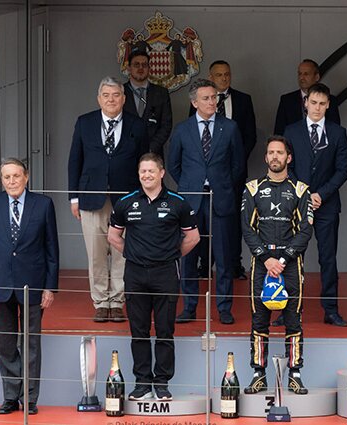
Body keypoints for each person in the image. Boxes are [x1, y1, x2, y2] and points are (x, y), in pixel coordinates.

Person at [108, 153, 200, 401]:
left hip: (166, 273)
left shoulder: (178, 203)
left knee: (164, 330)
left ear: (161, 173)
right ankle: (141, 383)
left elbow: (193, 237)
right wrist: (131, 252)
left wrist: (171, 255)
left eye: (151, 171)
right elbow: (113, 236)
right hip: (135, 273)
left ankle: (161, 383)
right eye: (142, 171)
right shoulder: (125, 202)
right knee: (138, 331)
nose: (146, 175)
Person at [0, 158, 59, 415]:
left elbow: (52, 250)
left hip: (33, 284)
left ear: (26, 176)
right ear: (2, 180)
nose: (11, 181)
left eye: (16, 176)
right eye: (6, 177)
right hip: (1, 283)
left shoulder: (43, 204)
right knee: (5, 343)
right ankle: (11, 396)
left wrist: (50, 288)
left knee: (31, 344)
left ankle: (30, 399)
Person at [68, 76, 148, 323]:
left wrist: (144, 198)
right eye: (106, 95)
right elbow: (74, 161)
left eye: (116, 95)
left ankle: (117, 301)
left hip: (127, 200)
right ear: (98, 98)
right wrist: (74, 198)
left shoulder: (137, 124)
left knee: (123, 253)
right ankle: (101, 302)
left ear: (124, 99)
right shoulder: (85, 122)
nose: (111, 100)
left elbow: (145, 162)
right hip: (92, 198)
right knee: (96, 253)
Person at [241, 136, 314, 395]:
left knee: (293, 320)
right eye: (271, 152)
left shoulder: (300, 189)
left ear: (288, 157)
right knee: (259, 319)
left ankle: (295, 373)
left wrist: (282, 259)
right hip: (262, 263)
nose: (275, 157)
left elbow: (306, 230)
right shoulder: (252, 188)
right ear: (266, 157)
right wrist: (265, 258)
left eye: (279, 153)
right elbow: (246, 229)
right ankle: (258, 373)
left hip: (290, 263)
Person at [168, 78, 245, 325]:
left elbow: (238, 165)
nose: (212, 102)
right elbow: (174, 166)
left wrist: (220, 185)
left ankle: (224, 308)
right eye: (206, 98)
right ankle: (189, 307)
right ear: (194, 102)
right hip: (190, 202)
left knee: (224, 258)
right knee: (188, 257)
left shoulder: (230, 127)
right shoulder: (182, 129)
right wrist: (193, 187)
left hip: (220, 200)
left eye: (214, 97)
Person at [283, 82, 347, 327]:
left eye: (322, 104)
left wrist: (321, 194)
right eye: (313, 103)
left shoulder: (337, 132)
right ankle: (286, 308)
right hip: (296, 205)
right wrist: (303, 194)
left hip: (327, 205)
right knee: (290, 257)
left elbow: (343, 170)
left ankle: (331, 309)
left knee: (328, 259)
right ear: (305, 103)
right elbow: (285, 167)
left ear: (328, 105)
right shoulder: (291, 131)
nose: (317, 108)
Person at [189, 60, 258, 280]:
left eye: (227, 74)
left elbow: (249, 137)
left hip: (232, 176)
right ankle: (204, 263)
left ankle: (234, 263)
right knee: (200, 221)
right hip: (202, 178)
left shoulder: (244, 100)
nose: (223, 78)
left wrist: (232, 169)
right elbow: (188, 140)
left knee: (232, 221)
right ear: (211, 76)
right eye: (219, 75)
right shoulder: (197, 102)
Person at [123, 49, 173, 158]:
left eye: (144, 65)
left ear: (149, 68)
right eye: (136, 64)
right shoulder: (119, 92)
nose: (141, 68)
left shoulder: (161, 93)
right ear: (129, 68)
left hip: (153, 154)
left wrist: (151, 148)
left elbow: (166, 125)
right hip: (125, 153)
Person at [274, 59, 341, 135]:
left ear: (317, 77)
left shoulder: (330, 100)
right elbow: (279, 132)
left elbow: (335, 131)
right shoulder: (287, 100)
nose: (301, 77)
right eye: (300, 74)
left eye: (306, 74)